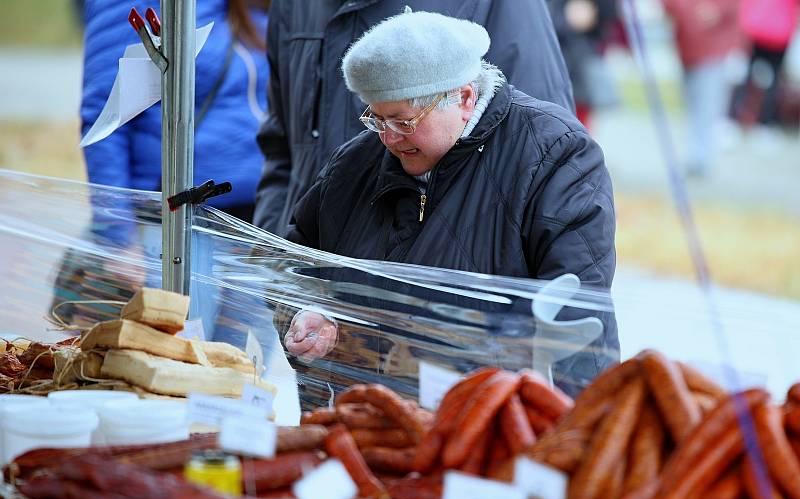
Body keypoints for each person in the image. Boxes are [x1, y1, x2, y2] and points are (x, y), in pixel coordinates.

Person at [280, 10, 619, 395]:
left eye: (404, 121)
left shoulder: (554, 154)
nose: (389, 139)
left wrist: (577, 437)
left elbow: (577, 312)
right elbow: (295, 269)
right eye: (377, 119)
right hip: (365, 421)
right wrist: (304, 317)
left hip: (494, 421)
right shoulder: (352, 166)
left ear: (464, 98)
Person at [253, 0, 576, 237]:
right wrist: (271, 248)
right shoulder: (294, 6)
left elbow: (538, 150)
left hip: (441, 271)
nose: (390, 136)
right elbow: (279, 144)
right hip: (303, 265)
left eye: (402, 123)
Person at [53, 0, 270, 333]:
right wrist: (118, 239)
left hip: (256, 230)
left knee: (237, 376)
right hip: (179, 228)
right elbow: (104, 121)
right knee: (181, 366)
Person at [662, 0, 743, 177]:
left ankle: (701, 157)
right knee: (692, 103)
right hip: (686, 48)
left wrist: (715, 11)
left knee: (708, 103)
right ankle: (696, 154)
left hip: (715, 48)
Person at [547, 0, 620, 129]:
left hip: (579, 62)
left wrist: (592, 10)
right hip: (546, 56)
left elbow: (610, 12)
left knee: (576, 129)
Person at [732, 0, 799, 131]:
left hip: (756, 27)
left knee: (747, 77)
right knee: (772, 80)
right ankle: (765, 121)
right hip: (778, 31)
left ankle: (738, 117)